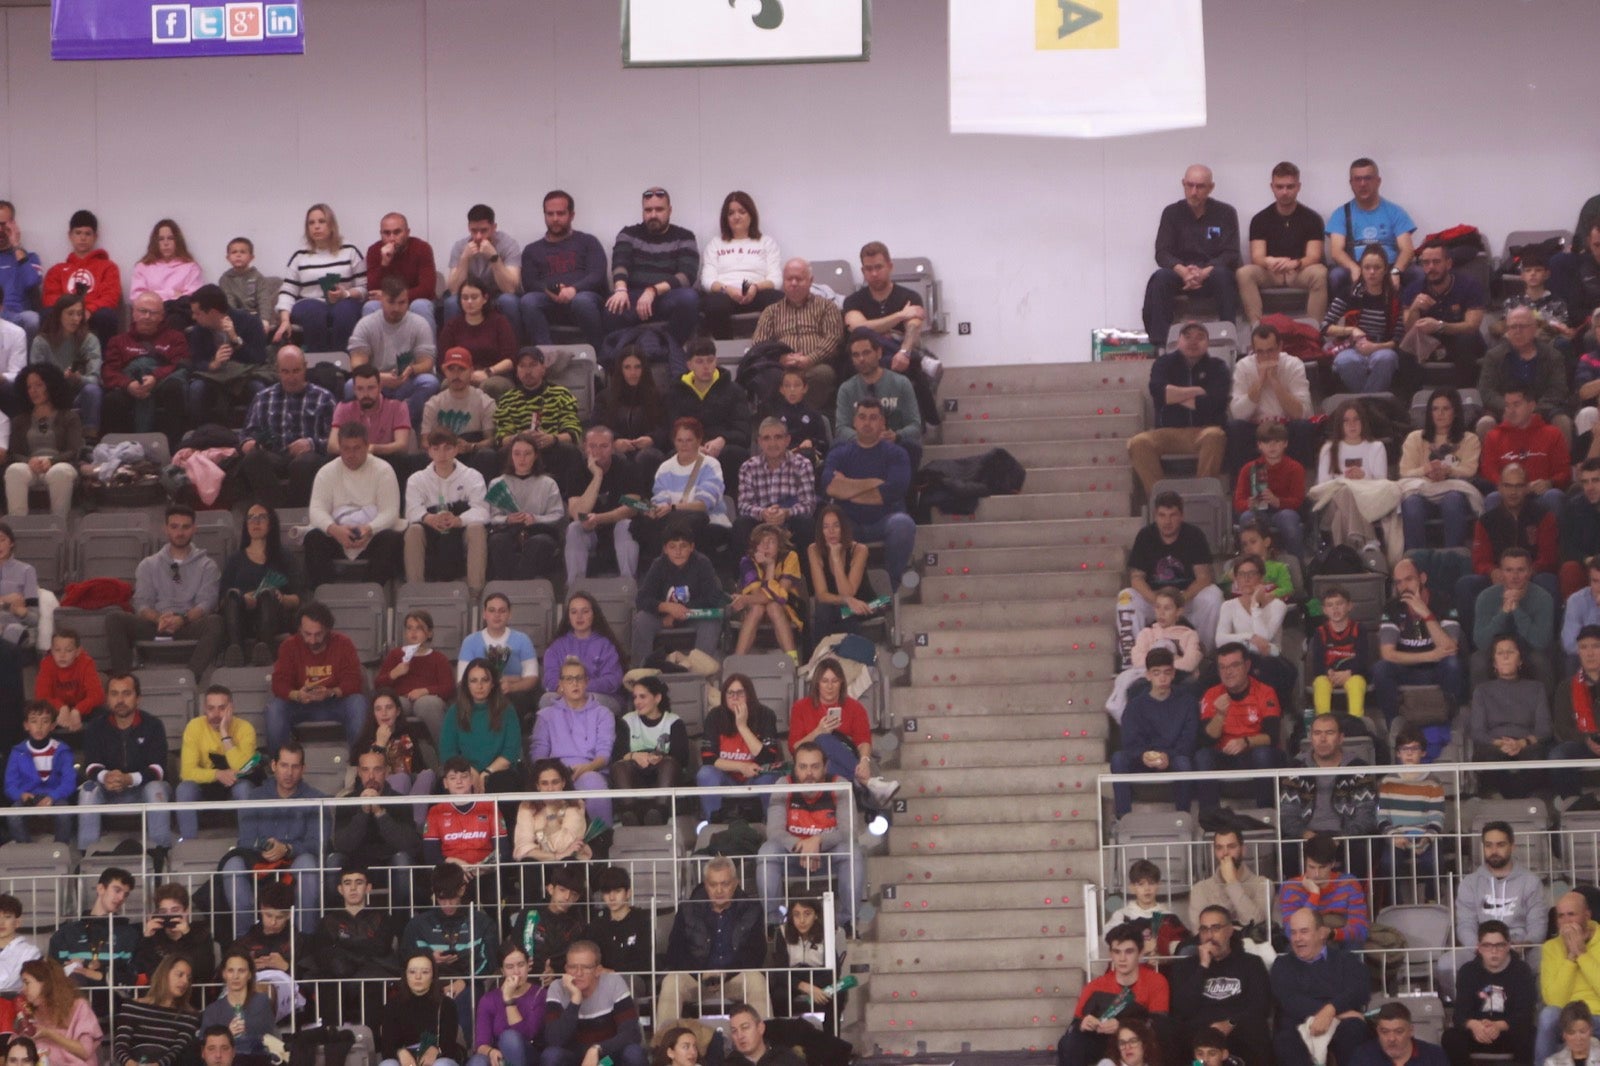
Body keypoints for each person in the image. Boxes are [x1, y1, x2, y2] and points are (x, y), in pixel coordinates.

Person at [105, 503, 223, 677]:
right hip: (156, 624)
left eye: (186, 527)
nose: (180, 532)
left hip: (188, 624)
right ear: (166, 529)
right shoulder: (148, 564)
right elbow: (142, 603)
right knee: (114, 618)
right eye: (174, 527)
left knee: (216, 622)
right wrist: (159, 618)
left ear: (194, 529)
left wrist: (181, 619)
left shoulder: (207, 566)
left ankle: (190, 678)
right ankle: (124, 681)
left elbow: (207, 603)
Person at [222, 743, 327, 939]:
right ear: (273, 766)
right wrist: (270, 846)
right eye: (284, 765)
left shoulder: (316, 799)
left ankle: (305, 943)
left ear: (303, 769)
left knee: (309, 864)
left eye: (295, 767)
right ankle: (244, 942)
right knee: (232, 865)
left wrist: (287, 848)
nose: (289, 773)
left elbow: (318, 843)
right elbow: (245, 840)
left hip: (294, 864)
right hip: (260, 865)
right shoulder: (255, 798)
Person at [756, 742, 863, 932]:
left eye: (815, 766)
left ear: (826, 766)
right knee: (767, 851)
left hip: (827, 856)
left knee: (852, 851)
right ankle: (773, 923)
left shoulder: (839, 785)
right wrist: (802, 846)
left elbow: (849, 831)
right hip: (793, 856)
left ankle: (848, 922)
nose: (809, 773)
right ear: (795, 767)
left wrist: (818, 841)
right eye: (803, 767)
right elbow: (774, 831)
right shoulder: (783, 785)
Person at [1438, 822, 1548, 999]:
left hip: (1520, 946)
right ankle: (1467, 1010)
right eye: (1488, 845)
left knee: (1548, 961)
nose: (1494, 850)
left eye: (1500, 844)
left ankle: (1533, 1013)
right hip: (1481, 946)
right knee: (1445, 964)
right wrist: (1482, 947)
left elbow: (1538, 924)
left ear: (1512, 846)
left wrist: (1525, 943)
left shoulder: (1530, 881)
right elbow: (1465, 925)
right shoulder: (1470, 883)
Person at [1141, 164, 1241, 350]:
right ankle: (1161, 345)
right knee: (1160, 278)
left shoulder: (1226, 213)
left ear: (1211, 188)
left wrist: (1204, 272)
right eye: (1190, 185)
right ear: (1183, 184)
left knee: (1224, 276)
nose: (1194, 192)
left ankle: (1229, 341)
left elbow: (1231, 253)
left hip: (1212, 273)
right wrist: (1183, 271)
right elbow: (1162, 252)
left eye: (1200, 187)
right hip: (1181, 274)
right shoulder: (1171, 213)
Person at [659, 859, 772, 1022]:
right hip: (698, 978)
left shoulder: (751, 908)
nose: (719, 890)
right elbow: (675, 952)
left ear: (735, 883)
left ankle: (764, 1043)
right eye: (713, 885)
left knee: (756, 980)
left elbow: (755, 952)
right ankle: (664, 1043)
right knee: (671, 982)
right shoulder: (687, 909)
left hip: (734, 977)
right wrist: (700, 973)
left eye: (725, 884)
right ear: (705, 885)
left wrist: (726, 973)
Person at [821, 398, 916, 590]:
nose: (867, 423)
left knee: (903, 524)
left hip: (885, 520)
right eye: (862, 417)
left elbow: (892, 492)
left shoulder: (897, 454)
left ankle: (892, 588)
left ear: (882, 423)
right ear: (854, 422)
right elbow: (830, 487)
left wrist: (847, 489)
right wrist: (874, 483)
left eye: (873, 418)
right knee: (829, 525)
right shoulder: (839, 453)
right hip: (848, 522)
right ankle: (842, 593)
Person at [1119, 491, 1223, 660]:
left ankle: (1203, 654)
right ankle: (1132, 658)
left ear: (1181, 515)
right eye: (1162, 515)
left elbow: (1204, 577)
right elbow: (1136, 578)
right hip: (1154, 600)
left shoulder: (1194, 535)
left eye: (1173, 515)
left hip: (1185, 599)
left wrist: (1180, 599)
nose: (1167, 521)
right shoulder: (1145, 536)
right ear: (1155, 516)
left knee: (1213, 596)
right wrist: (1156, 600)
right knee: (1125, 597)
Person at [1130, 321, 1231, 495]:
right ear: (1178, 341)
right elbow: (1159, 392)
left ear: (1208, 343)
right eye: (1187, 336)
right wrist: (1198, 392)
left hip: (1203, 431)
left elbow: (1215, 403)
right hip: (1167, 433)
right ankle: (1162, 501)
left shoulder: (1218, 367)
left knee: (1216, 436)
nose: (1193, 341)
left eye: (1200, 337)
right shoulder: (1163, 363)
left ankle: (1204, 497)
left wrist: (1174, 396)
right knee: (1138, 443)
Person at [76, 674, 174, 854]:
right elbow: (90, 765)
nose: (120, 700)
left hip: (143, 788)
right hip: (108, 788)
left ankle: (161, 853)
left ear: (138, 698)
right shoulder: (96, 727)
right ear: (107, 699)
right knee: (87, 790)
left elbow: (158, 769)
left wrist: (129, 779)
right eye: (114, 694)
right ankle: (87, 856)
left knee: (155, 789)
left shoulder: (153, 725)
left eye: (126, 693)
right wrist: (106, 777)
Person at [304, 420, 405, 587]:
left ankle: (370, 593)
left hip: (372, 533)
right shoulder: (326, 472)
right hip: (338, 533)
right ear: (340, 448)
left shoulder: (383, 470)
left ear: (367, 446)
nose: (351, 454)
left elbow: (391, 512)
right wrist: (335, 530)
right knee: (313, 538)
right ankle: (325, 595)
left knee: (391, 539)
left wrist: (368, 529)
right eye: (346, 448)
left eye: (357, 448)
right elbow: (316, 510)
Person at [1168, 905, 1271, 1066]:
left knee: (1257, 1030)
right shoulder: (1185, 967)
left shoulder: (1251, 963)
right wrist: (1202, 967)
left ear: (1230, 930)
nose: (1210, 936)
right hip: (1200, 1033)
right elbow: (1182, 1009)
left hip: (1238, 1028)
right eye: (1204, 929)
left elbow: (1261, 1005)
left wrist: (1230, 1023)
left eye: (1216, 928)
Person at [1056, 923, 1169, 1066]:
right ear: (1111, 954)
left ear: (1140, 953)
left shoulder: (1156, 981)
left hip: (1139, 1044)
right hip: (1102, 1044)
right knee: (1071, 1040)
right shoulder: (1095, 986)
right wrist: (1083, 1024)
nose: (1122, 958)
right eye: (1117, 952)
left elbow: (1160, 1025)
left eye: (1129, 952)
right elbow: (1073, 1027)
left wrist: (1123, 1027)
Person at [1269, 908, 1370, 1066]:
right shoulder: (1282, 965)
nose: (1297, 938)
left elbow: (1360, 990)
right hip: (1298, 1024)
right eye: (1293, 933)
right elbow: (1289, 1001)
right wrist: (1333, 1012)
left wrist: (1332, 1009)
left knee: (1354, 1029)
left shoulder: (1346, 960)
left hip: (1343, 1024)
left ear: (1322, 933)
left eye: (1304, 931)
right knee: (1284, 1040)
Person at [237, 346, 335, 508]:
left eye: (296, 371)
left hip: (309, 459)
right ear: (278, 371)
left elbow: (335, 440)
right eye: (286, 371)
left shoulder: (323, 398)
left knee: (304, 463)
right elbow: (247, 433)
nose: (291, 377)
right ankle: (275, 512)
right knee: (253, 458)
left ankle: (296, 512)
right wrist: (247, 443)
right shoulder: (263, 398)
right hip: (274, 456)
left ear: (305, 367)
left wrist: (311, 443)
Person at [604, 187, 701, 350]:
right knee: (611, 309)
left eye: (659, 209)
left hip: (666, 296)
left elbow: (686, 276)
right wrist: (620, 289)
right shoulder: (628, 233)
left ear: (670, 210)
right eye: (648, 210)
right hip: (633, 297)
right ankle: (622, 356)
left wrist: (652, 291)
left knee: (690, 299)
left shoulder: (684, 236)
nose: (653, 215)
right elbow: (620, 263)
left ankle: (670, 349)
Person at [264, 602, 367, 752]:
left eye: (318, 634)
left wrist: (331, 692)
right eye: (307, 634)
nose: (312, 641)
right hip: (300, 704)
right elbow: (279, 683)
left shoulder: (343, 644)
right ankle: (279, 765)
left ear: (327, 630)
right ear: (299, 629)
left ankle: (360, 762)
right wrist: (297, 695)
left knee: (358, 703)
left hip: (334, 702)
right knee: (274, 709)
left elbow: (354, 680)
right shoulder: (289, 646)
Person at [1194, 643, 1284, 811]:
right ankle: (1211, 817)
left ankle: (1266, 813)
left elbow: (1272, 736)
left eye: (1234, 665)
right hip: (1223, 754)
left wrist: (1245, 742)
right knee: (1202, 756)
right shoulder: (1212, 694)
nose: (1228, 672)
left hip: (1252, 753)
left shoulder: (1265, 691)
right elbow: (1205, 740)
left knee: (1263, 754)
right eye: (1223, 667)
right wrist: (1220, 715)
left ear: (1247, 666)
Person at [1372, 558, 1462, 724]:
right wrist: (1431, 655)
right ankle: (1393, 724)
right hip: (1406, 670)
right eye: (1399, 582)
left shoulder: (1443, 602)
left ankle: (1452, 723)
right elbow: (1387, 653)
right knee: (1381, 668)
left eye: (1409, 579)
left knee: (1452, 663)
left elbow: (1449, 647)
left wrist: (1426, 613)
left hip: (1437, 670)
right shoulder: (1392, 607)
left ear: (1422, 578)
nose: (1404, 586)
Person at [1109, 648, 1197, 816]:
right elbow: (1129, 741)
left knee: (1184, 763)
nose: (1162, 678)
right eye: (1156, 673)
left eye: (1167, 672)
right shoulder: (1135, 706)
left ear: (1173, 674)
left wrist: (1168, 756)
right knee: (1118, 759)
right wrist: (1143, 755)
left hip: (1173, 758)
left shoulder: (1187, 702)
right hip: (1142, 759)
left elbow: (1189, 740)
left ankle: (1183, 818)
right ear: (1148, 675)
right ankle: (1124, 819)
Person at [1237, 162, 1328, 324]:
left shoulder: (1312, 218)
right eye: (1279, 187)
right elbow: (1257, 256)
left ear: (1298, 187)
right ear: (1272, 187)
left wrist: (1295, 263)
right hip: (1271, 271)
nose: (1284, 192)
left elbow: (1314, 255)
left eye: (1290, 187)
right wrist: (1269, 261)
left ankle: (1314, 331)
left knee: (1320, 273)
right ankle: (1257, 329)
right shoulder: (1260, 219)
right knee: (1244, 273)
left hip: (1299, 271)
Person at [632, 416, 732, 562]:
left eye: (689, 440)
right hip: (670, 521)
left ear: (699, 441)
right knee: (642, 523)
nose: (684, 445)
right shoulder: (665, 468)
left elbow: (703, 505)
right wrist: (655, 510)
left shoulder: (710, 465)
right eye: (680, 440)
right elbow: (660, 500)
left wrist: (672, 507)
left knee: (688, 523)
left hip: (708, 521)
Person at [518, 190, 608, 350]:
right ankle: (546, 356)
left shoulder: (588, 241)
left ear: (571, 215)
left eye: (560, 213)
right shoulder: (532, 250)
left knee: (582, 301)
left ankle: (599, 355)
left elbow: (597, 275)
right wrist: (549, 291)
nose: (555, 219)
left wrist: (574, 289)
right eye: (550, 214)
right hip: (550, 301)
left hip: (584, 299)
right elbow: (529, 282)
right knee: (528, 301)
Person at [400, 863, 498, 1011]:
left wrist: (465, 981)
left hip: (469, 986)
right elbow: (404, 957)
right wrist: (430, 958)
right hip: (426, 984)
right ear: (434, 893)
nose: (447, 904)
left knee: (466, 1000)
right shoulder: (417, 925)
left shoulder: (482, 923)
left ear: (462, 890)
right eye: (442, 899)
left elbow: (490, 962)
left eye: (451, 898)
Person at [749, 259, 845, 408]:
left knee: (824, 374)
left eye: (799, 279)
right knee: (768, 377)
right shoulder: (771, 312)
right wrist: (779, 358)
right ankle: (782, 419)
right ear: (783, 281)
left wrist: (809, 359)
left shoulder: (827, 306)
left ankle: (805, 417)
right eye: (789, 279)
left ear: (810, 280)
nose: (793, 283)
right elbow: (759, 345)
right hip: (780, 367)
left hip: (815, 366)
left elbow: (833, 338)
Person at [532, 659, 615, 827]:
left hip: (589, 771)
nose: (574, 683)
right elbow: (538, 755)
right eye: (569, 679)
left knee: (594, 783)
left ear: (586, 682)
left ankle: (603, 838)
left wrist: (587, 768)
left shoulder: (603, 714)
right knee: (548, 783)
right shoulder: (545, 715)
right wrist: (556, 773)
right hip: (554, 771)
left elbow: (604, 754)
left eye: (579, 678)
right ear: (561, 684)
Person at [631, 522, 728, 665]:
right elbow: (642, 599)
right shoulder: (658, 565)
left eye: (683, 546)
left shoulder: (702, 563)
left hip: (693, 615)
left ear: (692, 547)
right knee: (641, 620)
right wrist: (666, 607)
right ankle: (641, 671)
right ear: (665, 549)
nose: (678, 552)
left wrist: (678, 614)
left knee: (712, 621)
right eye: (672, 547)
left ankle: (700, 674)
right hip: (662, 617)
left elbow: (713, 597)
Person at [1468, 634, 1552, 798]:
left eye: (1510, 652)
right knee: (1488, 758)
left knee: (1538, 757)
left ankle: (1524, 801)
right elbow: (1477, 731)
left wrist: (1521, 743)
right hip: (1494, 744)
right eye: (1500, 653)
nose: (1505, 656)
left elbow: (1545, 729)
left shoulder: (1536, 688)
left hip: (1527, 744)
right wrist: (1500, 743)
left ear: (1520, 660)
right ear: (1494, 663)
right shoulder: (1482, 690)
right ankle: (1502, 800)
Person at [272, 203, 366, 350]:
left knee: (344, 312)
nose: (316, 226)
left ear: (332, 225)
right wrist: (284, 319)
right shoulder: (299, 256)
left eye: (322, 221)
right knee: (315, 312)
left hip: (344, 302)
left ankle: (344, 362)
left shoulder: (350, 251)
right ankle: (317, 363)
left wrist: (345, 293)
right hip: (309, 304)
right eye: (311, 223)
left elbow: (364, 288)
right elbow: (287, 292)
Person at [1440, 920, 1535, 1066]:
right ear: (1479, 947)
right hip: (1477, 1032)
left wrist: (1499, 1026)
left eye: (1499, 945)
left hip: (1507, 1031)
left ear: (1508, 946)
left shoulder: (1521, 971)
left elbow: (1524, 1014)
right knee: (1451, 1037)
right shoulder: (1468, 971)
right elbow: (1460, 1014)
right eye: (1487, 945)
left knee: (1529, 1035)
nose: (1494, 951)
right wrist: (1474, 1025)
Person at [350, 275, 440, 426]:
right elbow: (357, 364)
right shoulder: (365, 325)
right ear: (381, 300)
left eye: (402, 302)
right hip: (376, 382)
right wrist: (378, 377)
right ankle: (370, 426)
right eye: (391, 302)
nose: (396, 308)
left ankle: (402, 424)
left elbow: (427, 362)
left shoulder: (420, 324)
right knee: (349, 387)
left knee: (429, 382)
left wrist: (411, 369)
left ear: (408, 301)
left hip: (407, 380)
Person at [219, 505, 302, 669]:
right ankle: (235, 650)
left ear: (271, 524)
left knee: (267, 594)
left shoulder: (284, 557)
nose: (256, 522)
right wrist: (244, 597)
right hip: (243, 617)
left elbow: (299, 597)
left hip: (275, 615)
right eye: (251, 517)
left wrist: (282, 598)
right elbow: (222, 601)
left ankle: (265, 648)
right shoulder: (235, 560)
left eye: (262, 517)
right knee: (233, 595)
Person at [1225, 323, 1315, 474]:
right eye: (1260, 352)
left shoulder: (1293, 364)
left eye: (1270, 351)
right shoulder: (1243, 367)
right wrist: (1260, 382)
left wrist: (1275, 382)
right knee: (1234, 428)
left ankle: (1298, 485)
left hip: (1285, 426)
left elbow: (1302, 413)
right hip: (1256, 428)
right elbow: (1238, 414)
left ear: (1280, 347)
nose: (1266, 357)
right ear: (1253, 351)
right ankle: (1238, 489)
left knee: (1303, 427)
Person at [1399, 387, 1481, 550]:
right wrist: (1426, 469)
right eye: (1435, 409)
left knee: (1453, 500)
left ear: (1456, 412)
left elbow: (1470, 469)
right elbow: (1404, 471)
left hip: (1454, 491)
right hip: (1422, 492)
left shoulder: (1470, 439)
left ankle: (1454, 556)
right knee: (1411, 503)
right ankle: (1416, 558)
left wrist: (1448, 471)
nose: (1440, 414)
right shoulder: (1415, 438)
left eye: (1446, 409)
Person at [100, 291, 188, 444]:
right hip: (130, 385)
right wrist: (128, 384)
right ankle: (116, 449)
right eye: (143, 311)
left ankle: (174, 448)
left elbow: (180, 364)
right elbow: (109, 371)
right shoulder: (118, 341)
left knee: (175, 389)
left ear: (162, 316)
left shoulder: (176, 338)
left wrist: (155, 376)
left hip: (162, 383)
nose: (147, 316)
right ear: (133, 313)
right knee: (112, 400)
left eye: (153, 313)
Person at [405, 429, 489, 588]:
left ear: (456, 449)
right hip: (430, 529)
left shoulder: (472, 476)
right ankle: (415, 590)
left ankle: (475, 592)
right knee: (413, 530)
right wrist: (428, 518)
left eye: (447, 448)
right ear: (429, 451)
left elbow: (483, 510)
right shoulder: (417, 479)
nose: (442, 454)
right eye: (436, 449)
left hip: (460, 529)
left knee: (477, 528)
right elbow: (411, 511)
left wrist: (459, 520)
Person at [492, 348, 583, 494]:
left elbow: (573, 433)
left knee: (571, 452)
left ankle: (572, 502)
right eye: (522, 366)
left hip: (551, 449)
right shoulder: (507, 399)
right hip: (519, 452)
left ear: (543, 368)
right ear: (517, 371)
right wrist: (519, 438)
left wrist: (552, 439)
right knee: (497, 455)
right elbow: (501, 437)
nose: (527, 370)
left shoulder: (561, 394)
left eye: (533, 365)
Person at [1325, 158, 1420, 298]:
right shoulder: (1340, 214)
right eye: (1357, 179)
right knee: (1336, 275)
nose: (1362, 184)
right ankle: (1347, 316)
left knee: (1418, 274)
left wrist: (1396, 271)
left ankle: (1404, 314)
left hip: (1389, 266)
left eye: (1368, 178)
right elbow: (1336, 252)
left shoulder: (1395, 211)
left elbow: (1407, 250)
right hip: (1357, 266)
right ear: (1351, 183)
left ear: (1378, 181)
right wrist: (1354, 268)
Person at [542, 941, 646, 1066]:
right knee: (551, 1055)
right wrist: (575, 999)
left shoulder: (613, 983)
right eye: (573, 967)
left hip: (607, 1060)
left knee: (633, 1052)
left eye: (586, 967)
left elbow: (631, 1033)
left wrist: (596, 1049)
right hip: (575, 1061)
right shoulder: (557, 988)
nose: (578, 973)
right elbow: (554, 1040)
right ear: (566, 969)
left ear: (598, 970)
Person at [175, 685, 259, 841]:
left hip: (236, 784)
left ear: (231, 708)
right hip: (205, 784)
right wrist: (217, 774)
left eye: (222, 708)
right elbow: (186, 772)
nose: (215, 714)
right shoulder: (194, 727)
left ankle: (248, 842)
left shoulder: (245, 728)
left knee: (245, 789)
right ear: (204, 709)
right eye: (210, 708)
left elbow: (242, 768)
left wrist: (224, 734)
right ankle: (188, 844)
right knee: (184, 789)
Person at [697, 675, 785, 825]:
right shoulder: (715, 716)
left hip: (756, 776)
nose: (734, 698)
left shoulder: (765, 714)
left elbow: (768, 758)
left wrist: (742, 726)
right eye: (730, 693)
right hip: (726, 777)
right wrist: (741, 766)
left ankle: (770, 825)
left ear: (749, 694)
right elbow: (708, 758)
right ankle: (713, 823)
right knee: (706, 773)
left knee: (769, 778)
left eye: (740, 693)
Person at [1107, 586, 1204, 720]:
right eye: (1158, 607)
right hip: (1150, 679)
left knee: (1190, 686)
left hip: (1178, 679)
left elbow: (1189, 663)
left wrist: (1156, 662)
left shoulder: (1188, 635)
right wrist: (1173, 659)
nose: (1161, 613)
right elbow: (1138, 661)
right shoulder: (1147, 633)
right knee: (1136, 687)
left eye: (1167, 608)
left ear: (1179, 611)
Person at [565, 425, 646, 584]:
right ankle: (574, 586)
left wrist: (599, 518)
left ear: (613, 448)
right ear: (584, 447)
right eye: (592, 446)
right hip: (590, 532)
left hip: (617, 529)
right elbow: (577, 513)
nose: (597, 451)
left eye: (604, 446)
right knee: (574, 529)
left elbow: (632, 507)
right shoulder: (576, 471)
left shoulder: (626, 468)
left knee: (625, 525)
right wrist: (597, 476)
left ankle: (628, 585)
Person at [1401, 240, 1489, 387]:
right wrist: (1414, 309)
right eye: (1426, 263)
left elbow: (1472, 325)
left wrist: (1439, 326)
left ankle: (1466, 394)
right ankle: (1412, 400)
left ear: (1448, 263)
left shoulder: (1469, 285)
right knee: (1404, 350)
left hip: (1459, 339)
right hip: (1428, 342)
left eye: (1436, 262)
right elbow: (1408, 330)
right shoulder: (1413, 289)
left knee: (1467, 340)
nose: (1431, 267)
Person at [1215, 552, 1295, 712]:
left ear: (1261, 577)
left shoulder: (1278, 606)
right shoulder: (1228, 606)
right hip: (1239, 657)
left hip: (1268, 658)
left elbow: (1264, 639)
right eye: (1241, 574)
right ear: (1236, 579)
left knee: (1267, 670)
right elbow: (1220, 640)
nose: (1246, 579)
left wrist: (1255, 606)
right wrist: (1249, 637)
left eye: (1251, 574)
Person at [1479, 305, 1571, 442]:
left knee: (1562, 421)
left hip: (1542, 410)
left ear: (1534, 329)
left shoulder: (1553, 356)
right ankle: (1490, 463)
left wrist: (1532, 411)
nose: (1517, 331)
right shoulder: (1494, 356)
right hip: (1504, 410)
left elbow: (1558, 390)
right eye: (1512, 327)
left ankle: (1562, 463)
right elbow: (1487, 391)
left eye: (1522, 326)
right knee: (1485, 423)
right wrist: (1510, 408)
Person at [1375, 726, 1446, 903]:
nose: (1409, 754)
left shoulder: (1433, 782)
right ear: (1398, 753)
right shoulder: (1387, 781)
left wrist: (1427, 838)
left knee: (1435, 862)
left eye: (1414, 749)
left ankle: (1432, 899)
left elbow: (1437, 816)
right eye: (1404, 749)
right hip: (1397, 836)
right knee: (1387, 864)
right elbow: (1381, 816)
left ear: (1422, 753)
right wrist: (1393, 836)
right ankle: (1396, 904)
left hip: (1424, 836)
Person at [835, 328, 922, 470]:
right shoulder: (846, 389)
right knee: (837, 447)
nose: (861, 359)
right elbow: (841, 428)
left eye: (866, 353)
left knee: (912, 447)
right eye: (856, 355)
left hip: (893, 444)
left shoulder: (901, 383)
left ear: (879, 353)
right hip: (859, 445)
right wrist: (863, 437)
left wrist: (897, 436)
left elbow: (915, 425)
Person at [1481, 385, 1573, 520]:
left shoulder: (1552, 434)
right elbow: (1488, 472)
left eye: (1516, 405)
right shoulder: (1493, 436)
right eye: (1507, 405)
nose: (1511, 411)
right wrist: (1511, 487)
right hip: (1509, 497)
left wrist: (1549, 483)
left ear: (1531, 406)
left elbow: (1564, 472)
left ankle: (1555, 541)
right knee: (1492, 498)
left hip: (1541, 496)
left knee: (1554, 496)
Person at [1470, 548, 1556, 689]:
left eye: (1520, 570)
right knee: (1478, 661)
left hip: (1529, 648)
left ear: (1529, 572)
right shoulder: (1485, 597)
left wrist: (1516, 609)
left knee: (1540, 661)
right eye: (1509, 570)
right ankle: (1480, 708)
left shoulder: (1543, 598)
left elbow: (1541, 642)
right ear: (1501, 572)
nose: (1514, 576)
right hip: (1496, 649)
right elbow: (1481, 642)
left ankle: (1545, 707)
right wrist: (1503, 612)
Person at [700, 192, 783, 339]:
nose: (736, 216)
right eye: (731, 213)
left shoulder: (766, 242)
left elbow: (776, 279)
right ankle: (725, 348)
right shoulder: (715, 244)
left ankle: (766, 347)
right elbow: (707, 280)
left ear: (751, 215)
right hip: (726, 294)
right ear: (726, 218)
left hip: (757, 292)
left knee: (778, 300)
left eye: (742, 212)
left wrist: (755, 288)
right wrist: (727, 289)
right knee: (714, 304)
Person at [1322, 243, 1403, 393]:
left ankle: (1363, 405)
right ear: (1361, 269)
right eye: (1367, 268)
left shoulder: (1394, 298)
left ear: (1385, 270)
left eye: (1377, 268)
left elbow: (1397, 339)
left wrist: (1375, 347)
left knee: (1386, 359)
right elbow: (1325, 327)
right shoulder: (1349, 294)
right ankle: (1371, 404)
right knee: (1345, 360)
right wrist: (1351, 329)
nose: (1372, 272)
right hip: (1352, 346)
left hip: (1381, 346)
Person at [184, 283, 270, 425]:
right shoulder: (199, 330)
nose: (193, 317)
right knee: (196, 388)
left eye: (197, 313)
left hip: (244, 374)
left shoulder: (250, 321)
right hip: (213, 377)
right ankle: (200, 434)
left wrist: (236, 340)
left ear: (212, 312)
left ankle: (255, 435)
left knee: (258, 388)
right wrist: (213, 364)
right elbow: (195, 361)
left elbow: (259, 358)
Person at [5, 364, 82, 519]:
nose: (33, 391)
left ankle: (59, 524)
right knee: (14, 471)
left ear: (51, 385)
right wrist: (29, 461)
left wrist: (52, 461)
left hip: (61, 463)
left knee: (59, 472)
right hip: (31, 465)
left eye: (39, 385)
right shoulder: (20, 420)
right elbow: (14, 453)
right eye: (29, 387)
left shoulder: (69, 417)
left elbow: (74, 451)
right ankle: (18, 526)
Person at [486, 433, 565, 584]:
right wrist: (507, 519)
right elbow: (492, 516)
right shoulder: (497, 483)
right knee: (498, 541)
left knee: (539, 543)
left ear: (535, 456)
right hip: (508, 530)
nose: (522, 459)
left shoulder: (548, 483)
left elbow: (557, 514)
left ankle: (519, 586)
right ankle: (506, 587)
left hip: (539, 531)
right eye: (517, 454)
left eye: (527, 454)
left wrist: (535, 519)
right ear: (511, 456)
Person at [610, 677, 687, 826]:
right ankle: (629, 813)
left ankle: (659, 812)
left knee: (670, 764)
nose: (637, 702)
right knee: (619, 767)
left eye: (643, 696)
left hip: (662, 772)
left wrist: (660, 757)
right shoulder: (627, 720)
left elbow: (682, 758)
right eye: (635, 697)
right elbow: (616, 755)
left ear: (657, 698)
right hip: (635, 773)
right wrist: (635, 756)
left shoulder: (673, 721)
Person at [439, 659, 523, 794]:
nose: (479, 685)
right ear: (466, 684)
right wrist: (471, 773)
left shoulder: (507, 710)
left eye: (485, 680)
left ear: (493, 684)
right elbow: (448, 752)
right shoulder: (455, 711)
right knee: (446, 785)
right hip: (464, 772)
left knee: (504, 783)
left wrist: (486, 773)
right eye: (474, 681)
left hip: (498, 772)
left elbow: (511, 752)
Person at [736, 417, 817, 555]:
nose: (772, 443)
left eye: (778, 437)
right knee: (741, 524)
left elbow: (808, 504)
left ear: (787, 440)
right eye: (766, 438)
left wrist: (786, 513)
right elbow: (743, 505)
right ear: (759, 442)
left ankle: (806, 574)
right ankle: (745, 575)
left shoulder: (802, 464)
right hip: (760, 523)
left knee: (805, 522)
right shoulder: (748, 467)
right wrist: (763, 513)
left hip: (790, 522)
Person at [1537, 892, 1600, 1066]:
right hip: (1567, 1016)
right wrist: (1571, 958)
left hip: (1597, 1015)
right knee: (1548, 1016)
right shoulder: (1551, 947)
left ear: (1587, 915)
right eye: (1561, 916)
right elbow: (1554, 1001)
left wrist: (1582, 954)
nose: (1566, 922)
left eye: (1571, 914)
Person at [41, 209, 121, 345]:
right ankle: (51, 363)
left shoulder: (108, 267)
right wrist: (70, 311)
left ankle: (105, 363)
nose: (82, 238)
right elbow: (49, 297)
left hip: (93, 313)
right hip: (64, 313)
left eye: (87, 234)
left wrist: (89, 309)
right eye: (78, 233)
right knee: (46, 314)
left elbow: (111, 297)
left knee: (107, 316)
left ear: (95, 236)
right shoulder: (57, 270)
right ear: (70, 235)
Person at [1277, 832, 1370, 947]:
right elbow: (1290, 932)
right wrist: (1314, 895)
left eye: (1322, 867)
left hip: (1341, 946)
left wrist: (1332, 934)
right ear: (1305, 863)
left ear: (1332, 864)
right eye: (1311, 867)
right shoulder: (1291, 887)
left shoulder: (1349, 884)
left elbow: (1360, 931)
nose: (1316, 874)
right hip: (1306, 946)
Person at [424, 349, 503, 483]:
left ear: (471, 371)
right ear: (444, 371)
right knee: (422, 457)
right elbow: (425, 441)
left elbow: (491, 441)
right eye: (451, 369)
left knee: (488, 455)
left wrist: (471, 446)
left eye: (461, 369)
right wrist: (445, 451)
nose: (456, 374)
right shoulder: (433, 404)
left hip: (472, 451)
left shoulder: (485, 402)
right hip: (443, 453)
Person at [30, 293, 103, 437]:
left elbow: (95, 378)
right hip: (50, 393)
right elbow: (34, 377)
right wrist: (57, 380)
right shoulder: (41, 341)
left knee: (92, 390)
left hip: (78, 394)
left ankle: (90, 438)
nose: (75, 319)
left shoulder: (89, 340)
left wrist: (78, 378)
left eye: (79, 314)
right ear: (58, 315)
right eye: (70, 314)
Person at [458, 593, 541, 716]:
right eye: (492, 610)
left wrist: (512, 687)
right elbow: (462, 680)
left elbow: (532, 678)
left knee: (515, 701)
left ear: (509, 614)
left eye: (502, 611)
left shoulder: (523, 640)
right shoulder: (470, 641)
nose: (497, 615)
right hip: (479, 693)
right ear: (484, 614)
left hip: (513, 694)